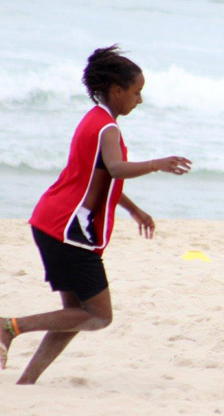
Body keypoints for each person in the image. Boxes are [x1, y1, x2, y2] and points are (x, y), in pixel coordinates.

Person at [0, 46, 192, 384]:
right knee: (99, 316)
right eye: (136, 92)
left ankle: (27, 380)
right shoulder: (108, 129)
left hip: (51, 222)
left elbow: (97, 176)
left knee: (76, 315)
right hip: (68, 230)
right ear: (117, 90)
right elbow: (115, 168)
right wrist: (157, 164)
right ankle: (9, 327)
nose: (140, 100)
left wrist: (133, 209)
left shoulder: (95, 120)